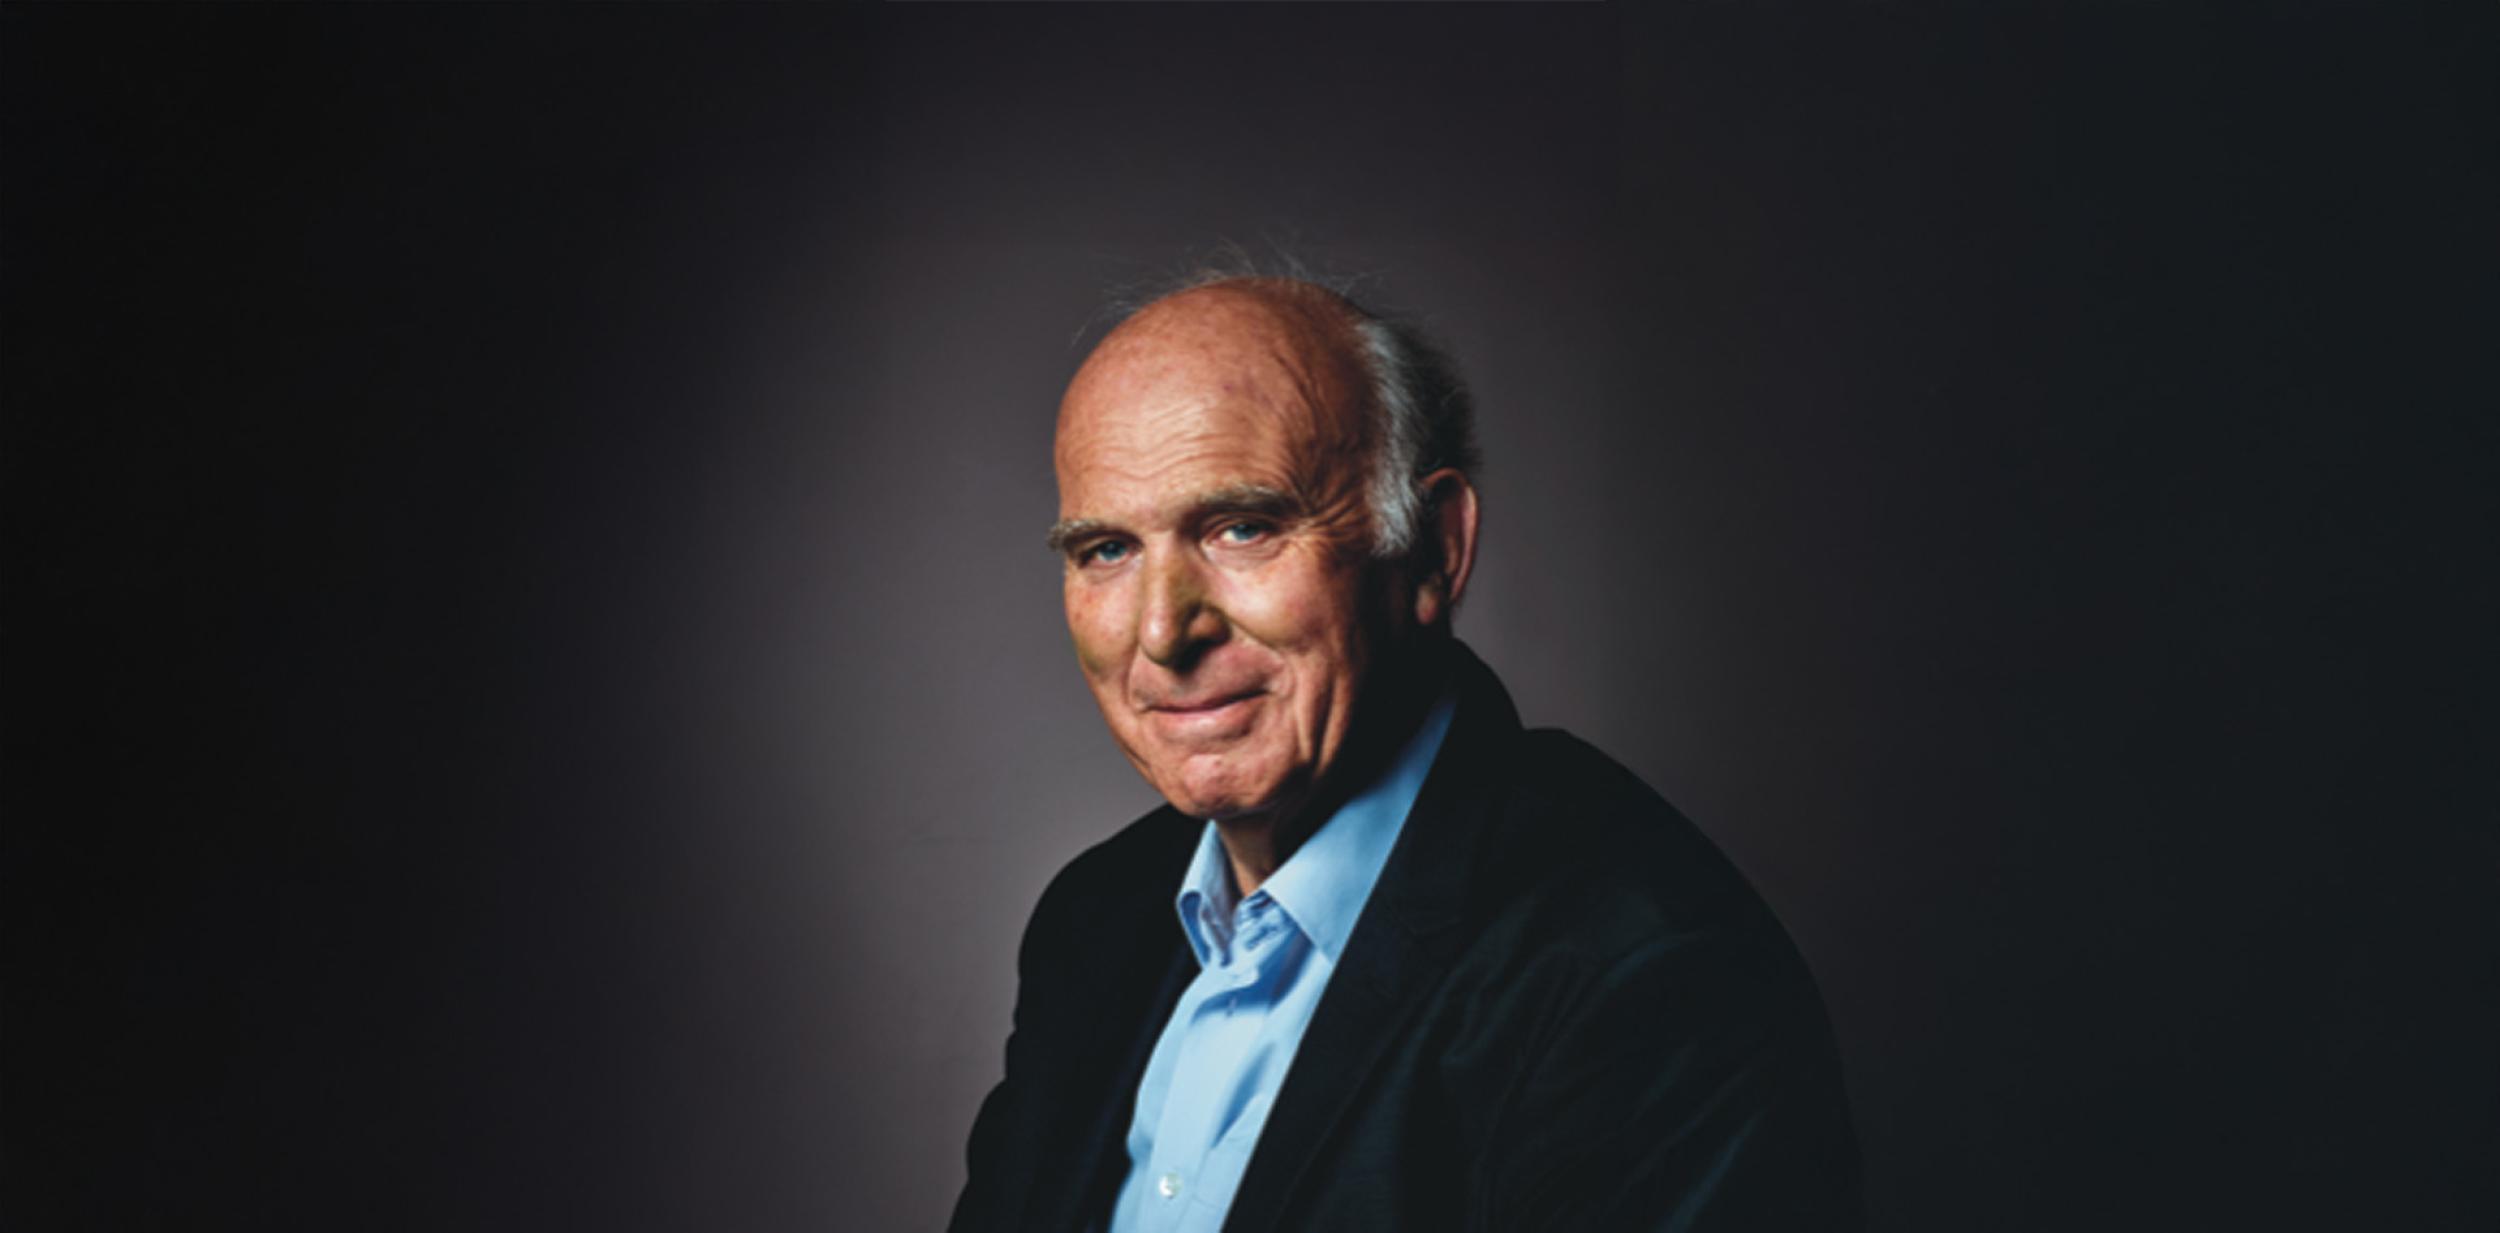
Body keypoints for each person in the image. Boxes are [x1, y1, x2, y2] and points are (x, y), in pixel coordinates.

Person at [950, 274, 1860, 1233]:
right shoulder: (1094, 923)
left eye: (1243, 526)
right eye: (1104, 550)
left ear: (1431, 551)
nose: (1164, 630)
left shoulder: (1647, 976)